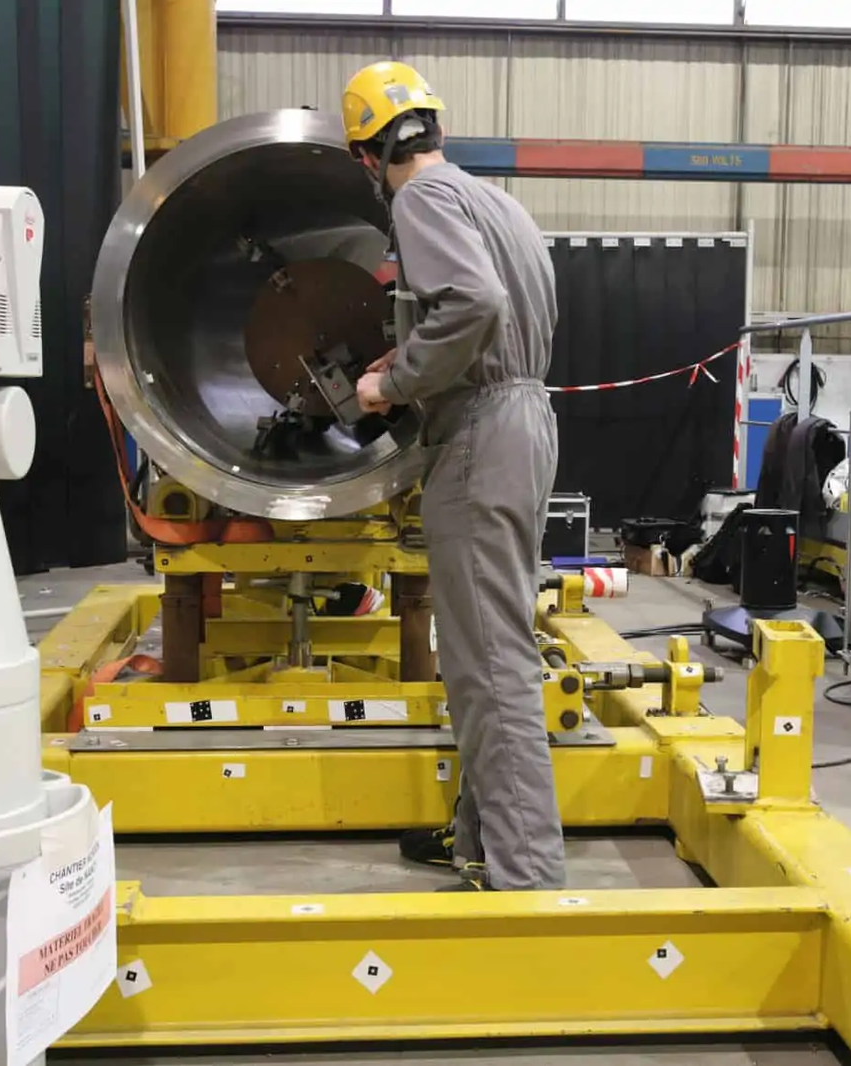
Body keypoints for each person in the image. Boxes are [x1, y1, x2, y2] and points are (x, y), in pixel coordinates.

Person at [342, 60, 564, 892]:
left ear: (370, 155)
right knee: (489, 647)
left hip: (478, 436)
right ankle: (481, 837)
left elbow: (471, 303)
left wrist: (391, 385)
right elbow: (493, 313)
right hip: (523, 419)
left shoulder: (420, 200)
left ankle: (524, 873)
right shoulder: (492, 199)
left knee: (490, 663)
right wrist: (414, 353)